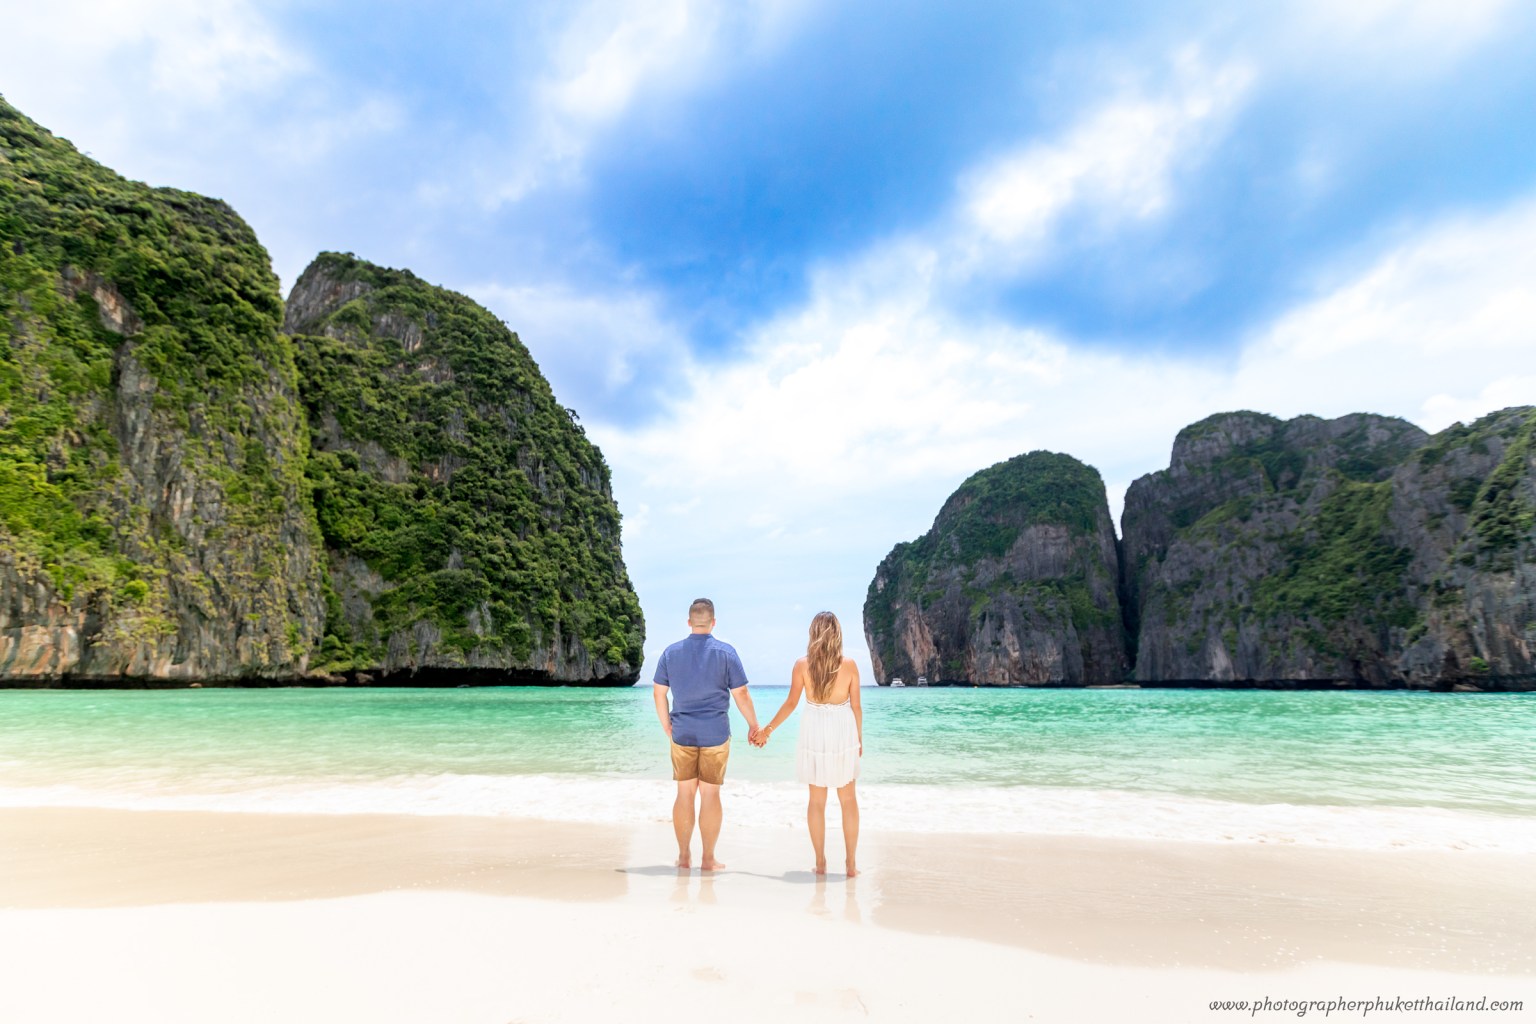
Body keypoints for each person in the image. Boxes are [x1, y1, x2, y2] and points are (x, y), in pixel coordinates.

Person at [652, 597, 763, 872]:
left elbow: (659, 692)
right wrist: (753, 725)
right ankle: (708, 859)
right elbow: (742, 694)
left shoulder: (670, 653)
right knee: (711, 795)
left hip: (682, 733)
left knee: (685, 793)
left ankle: (683, 856)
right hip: (715, 734)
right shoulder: (725, 653)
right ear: (713, 622)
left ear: (689, 622)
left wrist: (666, 723)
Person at [754, 610, 863, 877]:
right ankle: (850, 864)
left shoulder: (802, 665)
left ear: (813, 634)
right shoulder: (849, 665)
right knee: (848, 799)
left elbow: (791, 703)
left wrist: (767, 730)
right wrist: (858, 739)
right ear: (837, 633)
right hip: (842, 729)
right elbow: (857, 707)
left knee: (816, 801)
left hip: (815, 727)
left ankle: (820, 862)